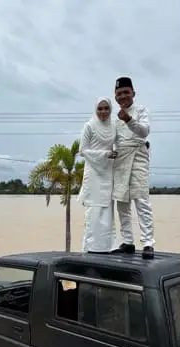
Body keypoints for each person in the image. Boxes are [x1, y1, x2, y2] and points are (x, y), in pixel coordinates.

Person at [111, 76, 155, 259]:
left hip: (137, 157)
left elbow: (144, 131)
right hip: (121, 160)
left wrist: (129, 119)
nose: (122, 96)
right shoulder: (115, 119)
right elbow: (113, 139)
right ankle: (128, 241)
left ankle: (147, 243)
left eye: (126, 93)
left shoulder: (141, 110)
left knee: (141, 200)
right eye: (119, 94)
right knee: (122, 202)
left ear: (133, 93)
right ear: (115, 96)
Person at [78, 97, 118, 253]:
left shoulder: (114, 126)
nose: (103, 112)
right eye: (100, 109)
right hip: (93, 172)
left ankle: (107, 247)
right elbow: (82, 150)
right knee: (93, 211)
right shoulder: (89, 126)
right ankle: (91, 248)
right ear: (95, 110)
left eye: (106, 108)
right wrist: (105, 154)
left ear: (110, 110)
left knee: (107, 210)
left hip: (107, 172)